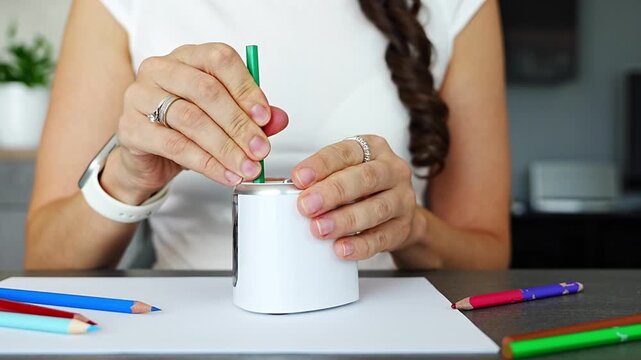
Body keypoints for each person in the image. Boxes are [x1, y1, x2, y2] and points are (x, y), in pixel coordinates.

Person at [24, 0, 510, 270]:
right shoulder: (118, 6)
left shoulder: (457, 7)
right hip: (184, 337)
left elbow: (489, 257)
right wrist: (126, 179)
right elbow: (44, 259)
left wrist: (413, 228)